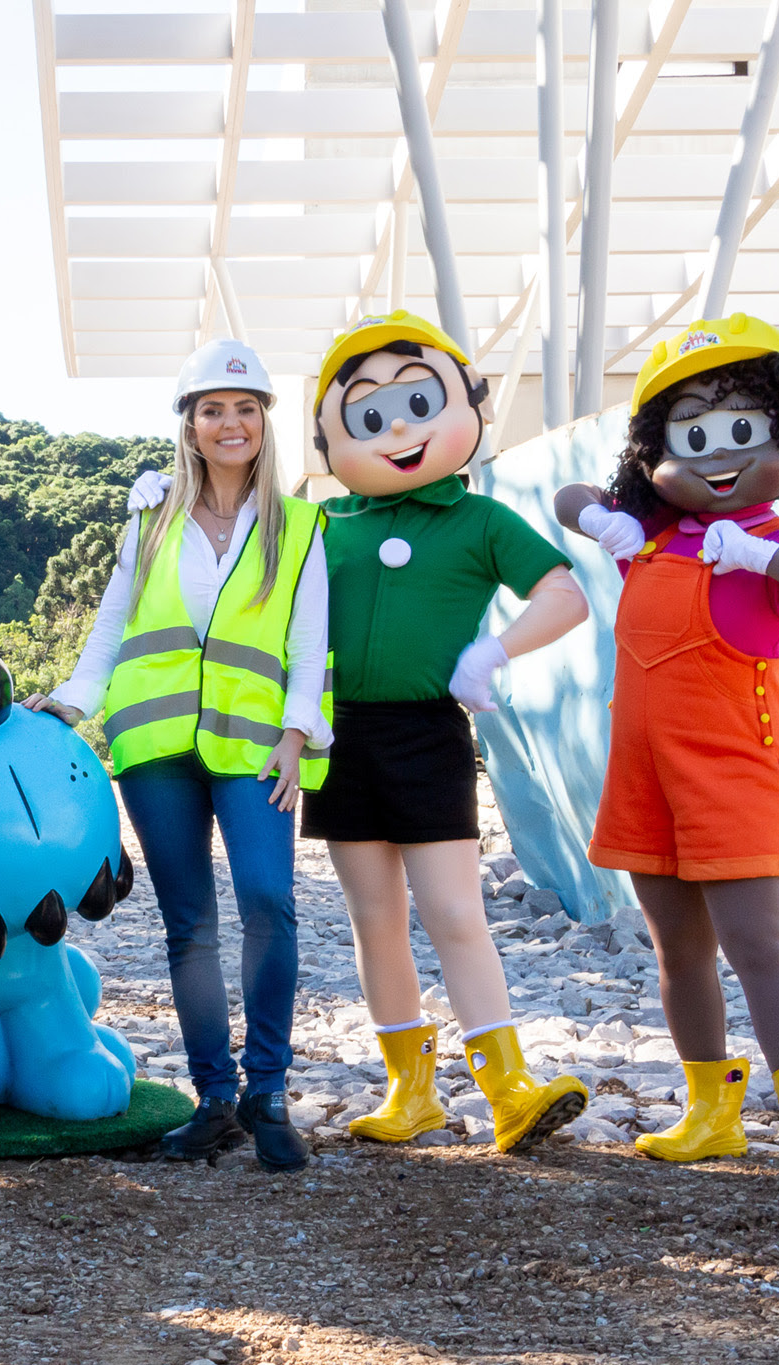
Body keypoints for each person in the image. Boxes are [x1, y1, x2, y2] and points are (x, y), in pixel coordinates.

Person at [552, 314, 779, 1185]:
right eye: (688, 437)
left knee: (759, 944)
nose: (713, 457)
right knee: (678, 949)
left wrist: (762, 556)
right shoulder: (653, 540)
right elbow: (568, 496)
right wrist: (603, 522)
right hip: (645, 781)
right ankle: (711, 1109)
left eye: (742, 430)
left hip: (734, 773)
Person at [23, 339, 332, 1174]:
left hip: (256, 747)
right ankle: (217, 1102)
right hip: (154, 746)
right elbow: (113, 623)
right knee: (188, 925)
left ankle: (268, 1092)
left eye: (245, 408)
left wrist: (297, 735)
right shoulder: (151, 516)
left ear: (265, 423)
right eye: (211, 409)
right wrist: (69, 704)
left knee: (270, 902)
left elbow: (310, 646)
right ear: (188, 427)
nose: (229, 423)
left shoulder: (302, 525)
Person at [304, 312, 594, 1155]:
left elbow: (564, 595)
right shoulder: (322, 529)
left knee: (455, 911)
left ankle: (508, 1087)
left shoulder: (481, 521)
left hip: (428, 732)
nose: (396, 428)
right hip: (338, 736)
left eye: (419, 403)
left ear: (469, 402)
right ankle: (410, 1090)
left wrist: (494, 650)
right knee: (374, 918)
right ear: (328, 439)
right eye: (367, 416)